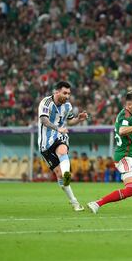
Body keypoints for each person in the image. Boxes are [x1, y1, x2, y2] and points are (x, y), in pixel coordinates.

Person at [38, 81, 88, 211]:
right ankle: (74, 202)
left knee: (62, 149)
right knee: (58, 174)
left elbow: (70, 121)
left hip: (59, 136)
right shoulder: (46, 102)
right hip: (45, 143)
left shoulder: (68, 106)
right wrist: (57, 128)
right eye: (65, 93)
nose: (67, 96)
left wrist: (79, 119)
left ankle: (67, 174)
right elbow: (44, 119)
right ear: (57, 91)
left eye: (69, 94)